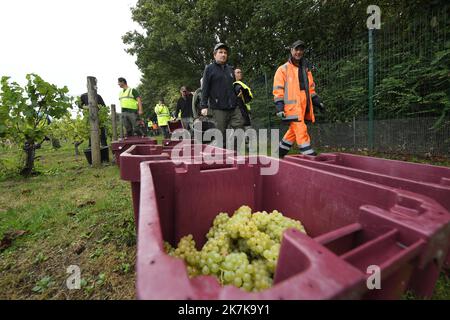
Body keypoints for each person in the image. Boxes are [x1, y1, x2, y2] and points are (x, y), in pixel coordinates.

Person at [273, 40, 325, 158]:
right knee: (300, 128)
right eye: (296, 49)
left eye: (301, 49)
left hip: (304, 106)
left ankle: (279, 153)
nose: (298, 52)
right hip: (291, 107)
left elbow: (311, 89)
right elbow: (278, 90)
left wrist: (318, 102)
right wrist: (279, 107)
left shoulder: (306, 69)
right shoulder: (283, 69)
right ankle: (307, 153)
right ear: (291, 50)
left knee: (292, 131)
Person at [200, 43, 244, 148]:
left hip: (233, 106)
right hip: (218, 108)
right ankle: (220, 157)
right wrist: (203, 106)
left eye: (225, 52)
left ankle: (234, 153)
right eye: (220, 52)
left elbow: (233, 85)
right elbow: (205, 88)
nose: (223, 54)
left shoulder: (230, 69)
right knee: (220, 135)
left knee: (240, 128)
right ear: (214, 55)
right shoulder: (209, 69)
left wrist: (238, 90)